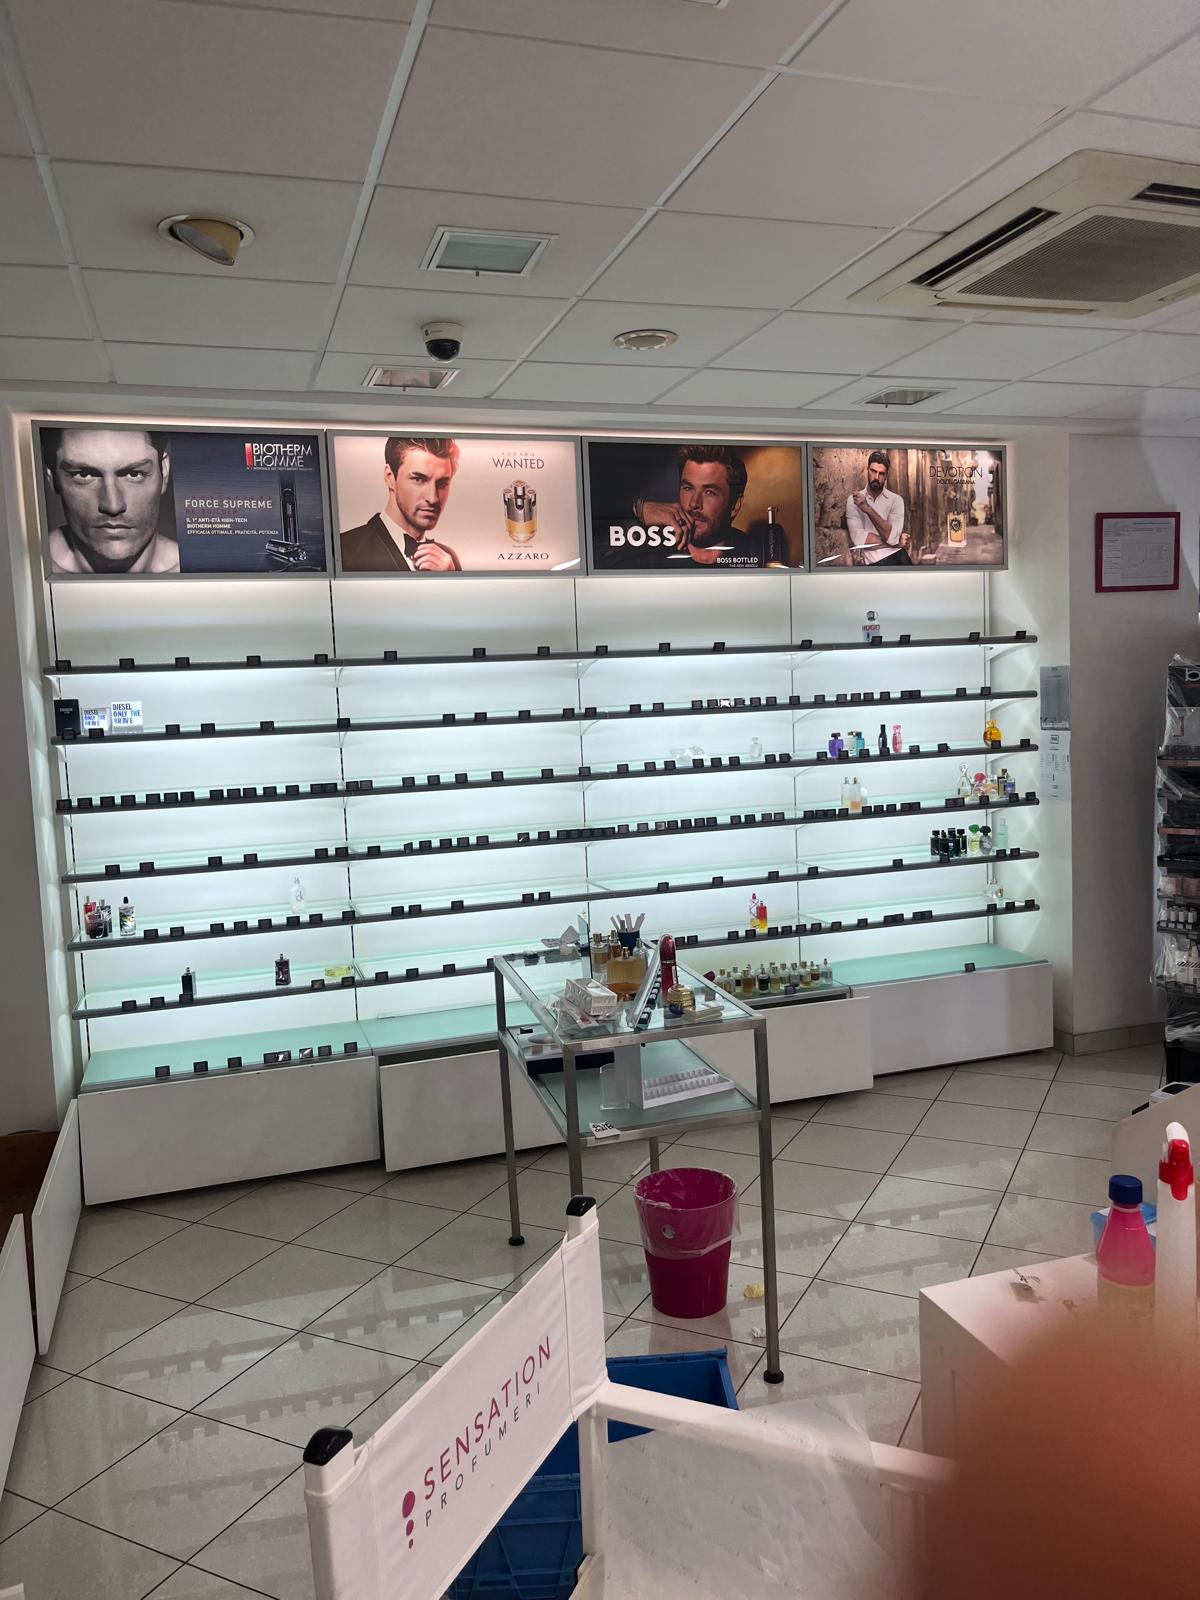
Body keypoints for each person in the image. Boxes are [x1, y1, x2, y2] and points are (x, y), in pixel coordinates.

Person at [42, 426, 179, 573]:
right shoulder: (28, 571)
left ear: (164, 472)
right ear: (52, 478)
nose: (113, 506)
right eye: (83, 475)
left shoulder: (194, 572)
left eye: (134, 474)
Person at [625, 443, 769, 569]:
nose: (694, 503)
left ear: (734, 505)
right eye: (688, 488)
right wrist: (636, 512)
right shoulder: (650, 548)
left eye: (709, 492)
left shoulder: (756, 554)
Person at [340, 437, 462, 571]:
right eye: (418, 479)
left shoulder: (449, 558)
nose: (433, 498)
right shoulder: (344, 550)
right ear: (390, 477)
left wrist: (451, 578)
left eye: (442, 483)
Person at [846, 449, 911, 566]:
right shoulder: (854, 500)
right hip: (875, 563)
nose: (876, 477)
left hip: (900, 558)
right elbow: (858, 540)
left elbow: (892, 538)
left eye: (881, 474)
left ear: (886, 475)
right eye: (873, 471)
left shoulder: (896, 500)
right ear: (867, 469)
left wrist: (868, 509)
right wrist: (896, 542)